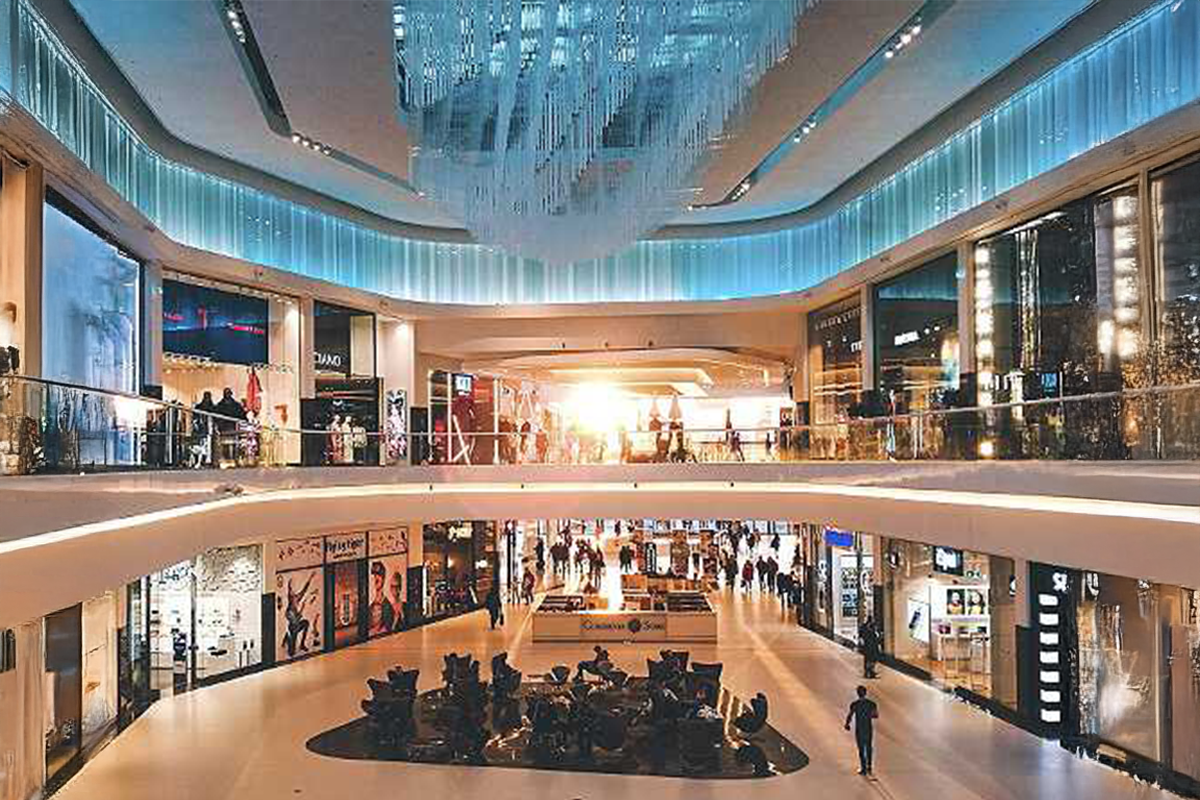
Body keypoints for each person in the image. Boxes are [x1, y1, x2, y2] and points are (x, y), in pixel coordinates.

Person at [844, 685, 879, 776]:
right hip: (868, 728)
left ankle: (863, 768)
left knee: (861, 748)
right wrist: (868, 714)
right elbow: (875, 716)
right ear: (865, 693)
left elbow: (850, 715)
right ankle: (869, 767)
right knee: (869, 747)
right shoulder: (872, 704)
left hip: (859, 729)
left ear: (857, 693)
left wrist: (847, 724)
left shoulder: (854, 704)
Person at [367, 561, 396, 637]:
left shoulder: (388, 607)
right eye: (374, 575)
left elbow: (387, 630)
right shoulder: (370, 606)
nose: (376, 578)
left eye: (379, 575)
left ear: (384, 578)